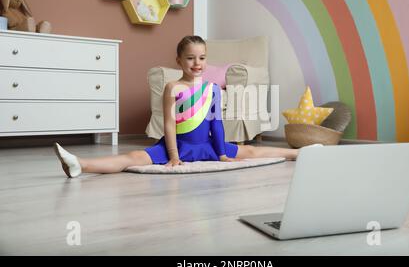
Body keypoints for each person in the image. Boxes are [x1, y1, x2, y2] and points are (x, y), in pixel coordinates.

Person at [54, 35, 298, 178]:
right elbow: (169, 124)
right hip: (180, 146)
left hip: (209, 147)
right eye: (191, 58)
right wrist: (173, 156)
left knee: (252, 152)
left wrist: (222, 153)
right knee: (133, 157)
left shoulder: (212, 88)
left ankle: (299, 154)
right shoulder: (173, 87)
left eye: (202, 58)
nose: (197, 63)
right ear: (179, 60)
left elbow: (216, 122)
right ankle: (80, 165)